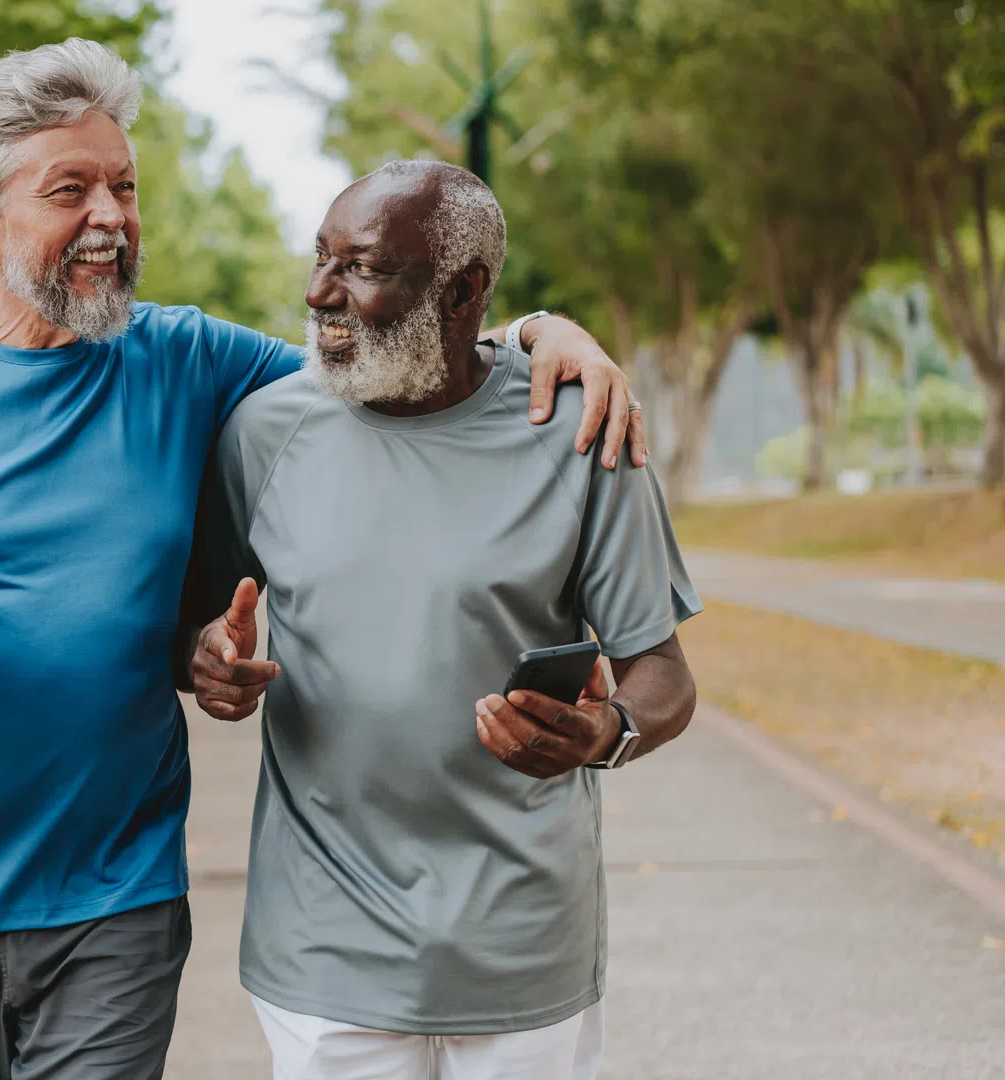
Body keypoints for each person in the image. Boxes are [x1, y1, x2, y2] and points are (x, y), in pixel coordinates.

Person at [0, 40, 643, 1079]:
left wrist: (536, 331)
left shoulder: (188, 358)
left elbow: (387, 351)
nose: (111, 215)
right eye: (71, 190)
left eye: (124, 186)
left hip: (115, 902)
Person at [182, 159, 701, 1080]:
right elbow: (199, 631)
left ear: (463, 291)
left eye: (364, 267)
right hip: (322, 949)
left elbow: (662, 676)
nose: (319, 293)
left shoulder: (582, 432)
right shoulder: (265, 432)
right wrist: (211, 661)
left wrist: (601, 733)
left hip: (523, 945)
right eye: (320, 258)